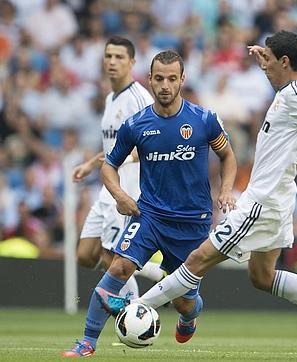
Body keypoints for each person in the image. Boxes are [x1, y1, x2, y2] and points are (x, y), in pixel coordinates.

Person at [97, 30, 297, 359]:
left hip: (261, 202)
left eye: (268, 60)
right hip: (279, 197)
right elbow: (291, 74)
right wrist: (262, 54)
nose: (263, 66)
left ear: (285, 62)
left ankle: (135, 306)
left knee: (197, 260)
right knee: (262, 276)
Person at [62, 50, 238, 357]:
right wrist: (120, 195)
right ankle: (88, 342)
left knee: (183, 301)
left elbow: (228, 155)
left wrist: (226, 190)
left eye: (172, 78)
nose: (165, 85)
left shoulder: (204, 120)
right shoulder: (136, 124)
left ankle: (189, 314)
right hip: (150, 216)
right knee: (118, 267)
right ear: (150, 80)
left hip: (192, 223)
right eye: (159, 79)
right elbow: (109, 165)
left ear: (183, 79)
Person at [72, 36, 164, 299]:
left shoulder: (139, 98)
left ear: (132, 62)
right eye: (109, 56)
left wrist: (128, 157)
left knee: (111, 257)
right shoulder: (112, 97)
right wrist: (91, 164)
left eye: (119, 57)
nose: (113, 62)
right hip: (108, 185)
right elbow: (116, 144)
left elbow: (154, 139)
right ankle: (154, 272)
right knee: (85, 256)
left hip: (129, 187)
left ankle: (132, 316)